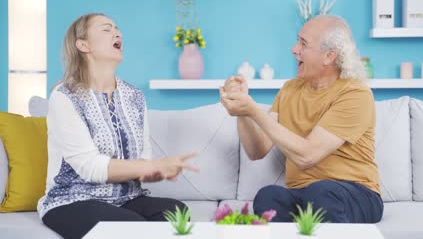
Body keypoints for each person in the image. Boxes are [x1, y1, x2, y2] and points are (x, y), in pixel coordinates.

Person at [37, 13, 199, 239]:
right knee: (131, 228)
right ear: (83, 45)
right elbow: (89, 166)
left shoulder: (135, 96)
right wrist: (150, 166)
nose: (117, 33)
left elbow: (142, 161)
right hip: (73, 200)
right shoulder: (65, 96)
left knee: (176, 212)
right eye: (106, 29)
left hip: (127, 199)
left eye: (117, 28)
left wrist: (157, 171)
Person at [220, 15, 383, 223]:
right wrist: (242, 110)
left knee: (322, 193)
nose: (294, 49)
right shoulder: (290, 89)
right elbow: (256, 150)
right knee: (267, 197)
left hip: (357, 194)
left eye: (303, 43)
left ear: (329, 56)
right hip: (306, 195)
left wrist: (253, 110)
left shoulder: (355, 94)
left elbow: (307, 155)